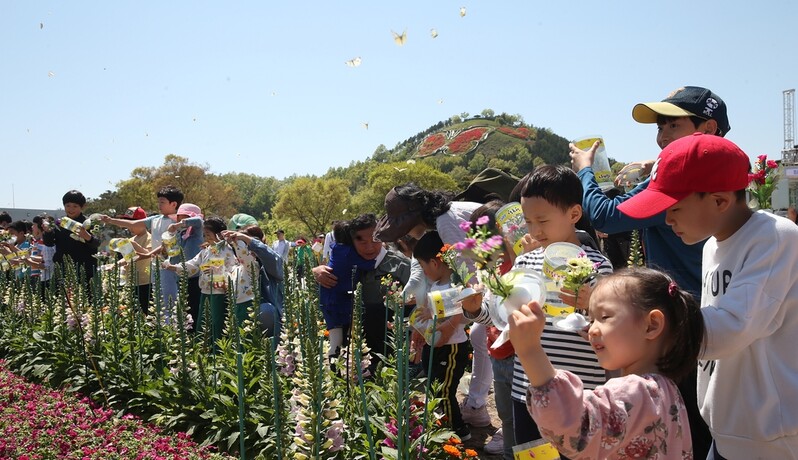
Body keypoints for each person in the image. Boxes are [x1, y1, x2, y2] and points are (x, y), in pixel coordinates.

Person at [569, 86, 729, 458]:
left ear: (707, 128)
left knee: (687, 424)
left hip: (686, 325)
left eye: (672, 125)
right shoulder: (697, 177)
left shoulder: (682, 181)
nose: (662, 137)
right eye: (660, 127)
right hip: (701, 320)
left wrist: (585, 171)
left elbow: (608, 216)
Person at [616, 133, 798, 459]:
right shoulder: (713, 245)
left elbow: (729, 330)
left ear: (719, 201)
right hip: (727, 427)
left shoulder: (775, 237)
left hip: (772, 437)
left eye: (675, 208)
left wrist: (643, 327)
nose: (667, 219)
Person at [461, 165, 613, 453]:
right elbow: (502, 320)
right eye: (528, 221)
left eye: (542, 220)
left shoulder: (598, 266)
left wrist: (593, 308)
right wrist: (474, 310)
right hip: (526, 392)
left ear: (574, 214)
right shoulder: (524, 264)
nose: (534, 230)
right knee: (534, 456)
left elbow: (612, 329)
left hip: (581, 394)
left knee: (579, 455)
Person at [509, 267, 704, 459]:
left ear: (651, 325)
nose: (592, 329)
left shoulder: (635, 390)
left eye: (604, 317)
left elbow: (574, 431)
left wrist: (530, 350)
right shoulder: (669, 390)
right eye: (591, 319)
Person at [373, 183, 492, 428]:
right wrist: (424, 318)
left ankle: (480, 407)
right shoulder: (438, 222)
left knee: (488, 337)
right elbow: (427, 276)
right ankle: (477, 406)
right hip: (484, 280)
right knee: (481, 336)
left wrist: (449, 321)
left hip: (498, 275)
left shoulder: (446, 222)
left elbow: (469, 282)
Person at [313, 213, 411, 376]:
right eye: (361, 241)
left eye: (375, 240)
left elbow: (419, 302)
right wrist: (315, 271)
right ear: (352, 241)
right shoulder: (350, 260)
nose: (369, 247)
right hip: (354, 344)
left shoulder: (400, 265)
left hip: (389, 344)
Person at [410, 231, 471, 441]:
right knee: (434, 386)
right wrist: (419, 332)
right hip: (434, 344)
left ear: (435, 263)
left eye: (423, 266)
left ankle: (456, 430)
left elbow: (461, 312)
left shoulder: (455, 284)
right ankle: (440, 427)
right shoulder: (436, 285)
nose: (423, 271)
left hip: (452, 346)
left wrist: (444, 328)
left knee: (444, 390)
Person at [101, 185, 184, 313]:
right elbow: (132, 224)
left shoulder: (179, 221)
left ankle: (173, 326)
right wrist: (111, 220)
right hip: (156, 265)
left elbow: (169, 245)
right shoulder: (155, 219)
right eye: (159, 202)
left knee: (171, 300)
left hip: (172, 266)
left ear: (173, 204)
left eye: (162, 202)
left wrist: (147, 254)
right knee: (158, 301)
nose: (159, 205)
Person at [163, 217, 236, 347]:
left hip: (219, 292)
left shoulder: (227, 250)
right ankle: (204, 351)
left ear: (220, 234)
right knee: (204, 322)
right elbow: (193, 264)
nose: (205, 238)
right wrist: (173, 267)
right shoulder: (206, 251)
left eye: (208, 234)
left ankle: (218, 351)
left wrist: (220, 274)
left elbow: (232, 270)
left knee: (217, 323)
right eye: (204, 235)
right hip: (205, 291)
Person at [318, 220, 375, 361]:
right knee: (343, 336)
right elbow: (370, 264)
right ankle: (341, 364)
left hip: (330, 296)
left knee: (336, 334)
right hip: (336, 298)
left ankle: (335, 364)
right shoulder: (348, 252)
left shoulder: (337, 248)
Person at [222, 224, 285, 339]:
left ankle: (273, 345)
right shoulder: (239, 264)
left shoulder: (271, 260)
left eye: (248, 242)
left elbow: (273, 260)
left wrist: (247, 239)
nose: (247, 247)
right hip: (243, 309)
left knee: (265, 310)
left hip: (270, 313)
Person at [51, 190, 101, 284]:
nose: (71, 209)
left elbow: (97, 243)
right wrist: (47, 232)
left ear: (82, 207)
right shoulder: (60, 223)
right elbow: (49, 242)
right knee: (63, 298)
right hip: (63, 270)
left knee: (84, 297)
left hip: (85, 271)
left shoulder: (90, 223)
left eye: (75, 206)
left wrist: (87, 237)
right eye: (68, 206)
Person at [116, 206, 153, 313]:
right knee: (133, 311)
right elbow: (128, 258)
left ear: (143, 223)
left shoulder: (149, 238)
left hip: (145, 281)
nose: (129, 227)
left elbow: (148, 254)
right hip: (131, 282)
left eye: (132, 223)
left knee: (146, 311)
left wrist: (135, 245)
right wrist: (115, 265)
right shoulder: (131, 239)